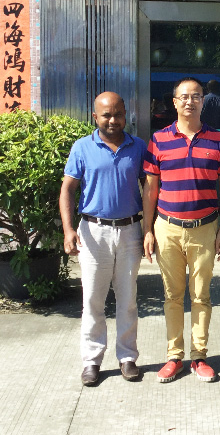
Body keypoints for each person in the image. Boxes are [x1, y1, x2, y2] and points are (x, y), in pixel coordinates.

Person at [143, 77, 220, 383]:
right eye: (184, 97)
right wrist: (148, 230)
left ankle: (199, 357)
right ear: (174, 102)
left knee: (201, 296)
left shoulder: (218, 140)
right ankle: (174, 357)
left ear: (203, 101)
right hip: (167, 228)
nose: (190, 101)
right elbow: (150, 189)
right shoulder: (159, 140)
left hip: (204, 229)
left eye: (196, 96)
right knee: (172, 296)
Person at [59, 91, 146, 386]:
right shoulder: (83, 147)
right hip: (93, 232)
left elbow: (150, 189)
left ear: (126, 115)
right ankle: (92, 361)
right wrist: (68, 230)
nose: (112, 120)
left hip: (130, 231)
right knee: (93, 300)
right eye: (106, 115)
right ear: (95, 116)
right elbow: (68, 189)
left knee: (128, 299)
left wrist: (150, 229)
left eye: (118, 114)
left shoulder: (138, 147)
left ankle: (127, 357)